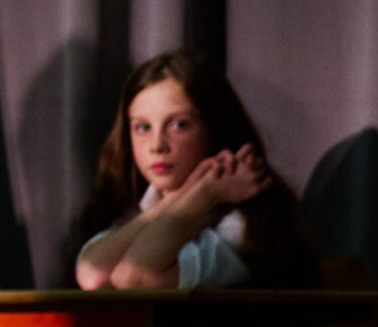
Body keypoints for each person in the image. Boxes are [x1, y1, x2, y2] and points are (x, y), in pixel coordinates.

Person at [74, 49, 317, 290]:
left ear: (214, 127)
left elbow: (134, 277)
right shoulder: (138, 206)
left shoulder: (242, 224)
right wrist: (179, 197)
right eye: (143, 127)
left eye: (179, 125)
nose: (157, 145)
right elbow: (92, 275)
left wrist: (205, 194)